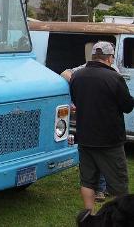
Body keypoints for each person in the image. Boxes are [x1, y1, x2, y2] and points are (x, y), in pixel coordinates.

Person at [70, 41, 134, 212]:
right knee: (119, 184)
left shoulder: (77, 76)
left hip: (85, 137)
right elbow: (127, 106)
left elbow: (76, 101)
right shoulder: (114, 77)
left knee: (87, 181)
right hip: (110, 140)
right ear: (109, 58)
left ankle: (88, 216)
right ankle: (120, 218)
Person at [61, 64, 107, 202]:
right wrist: (76, 81)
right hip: (88, 120)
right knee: (93, 153)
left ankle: (99, 188)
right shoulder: (85, 69)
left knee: (98, 153)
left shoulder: (111, 71)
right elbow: (64, 73)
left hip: (101, 119)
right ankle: (96, 188)